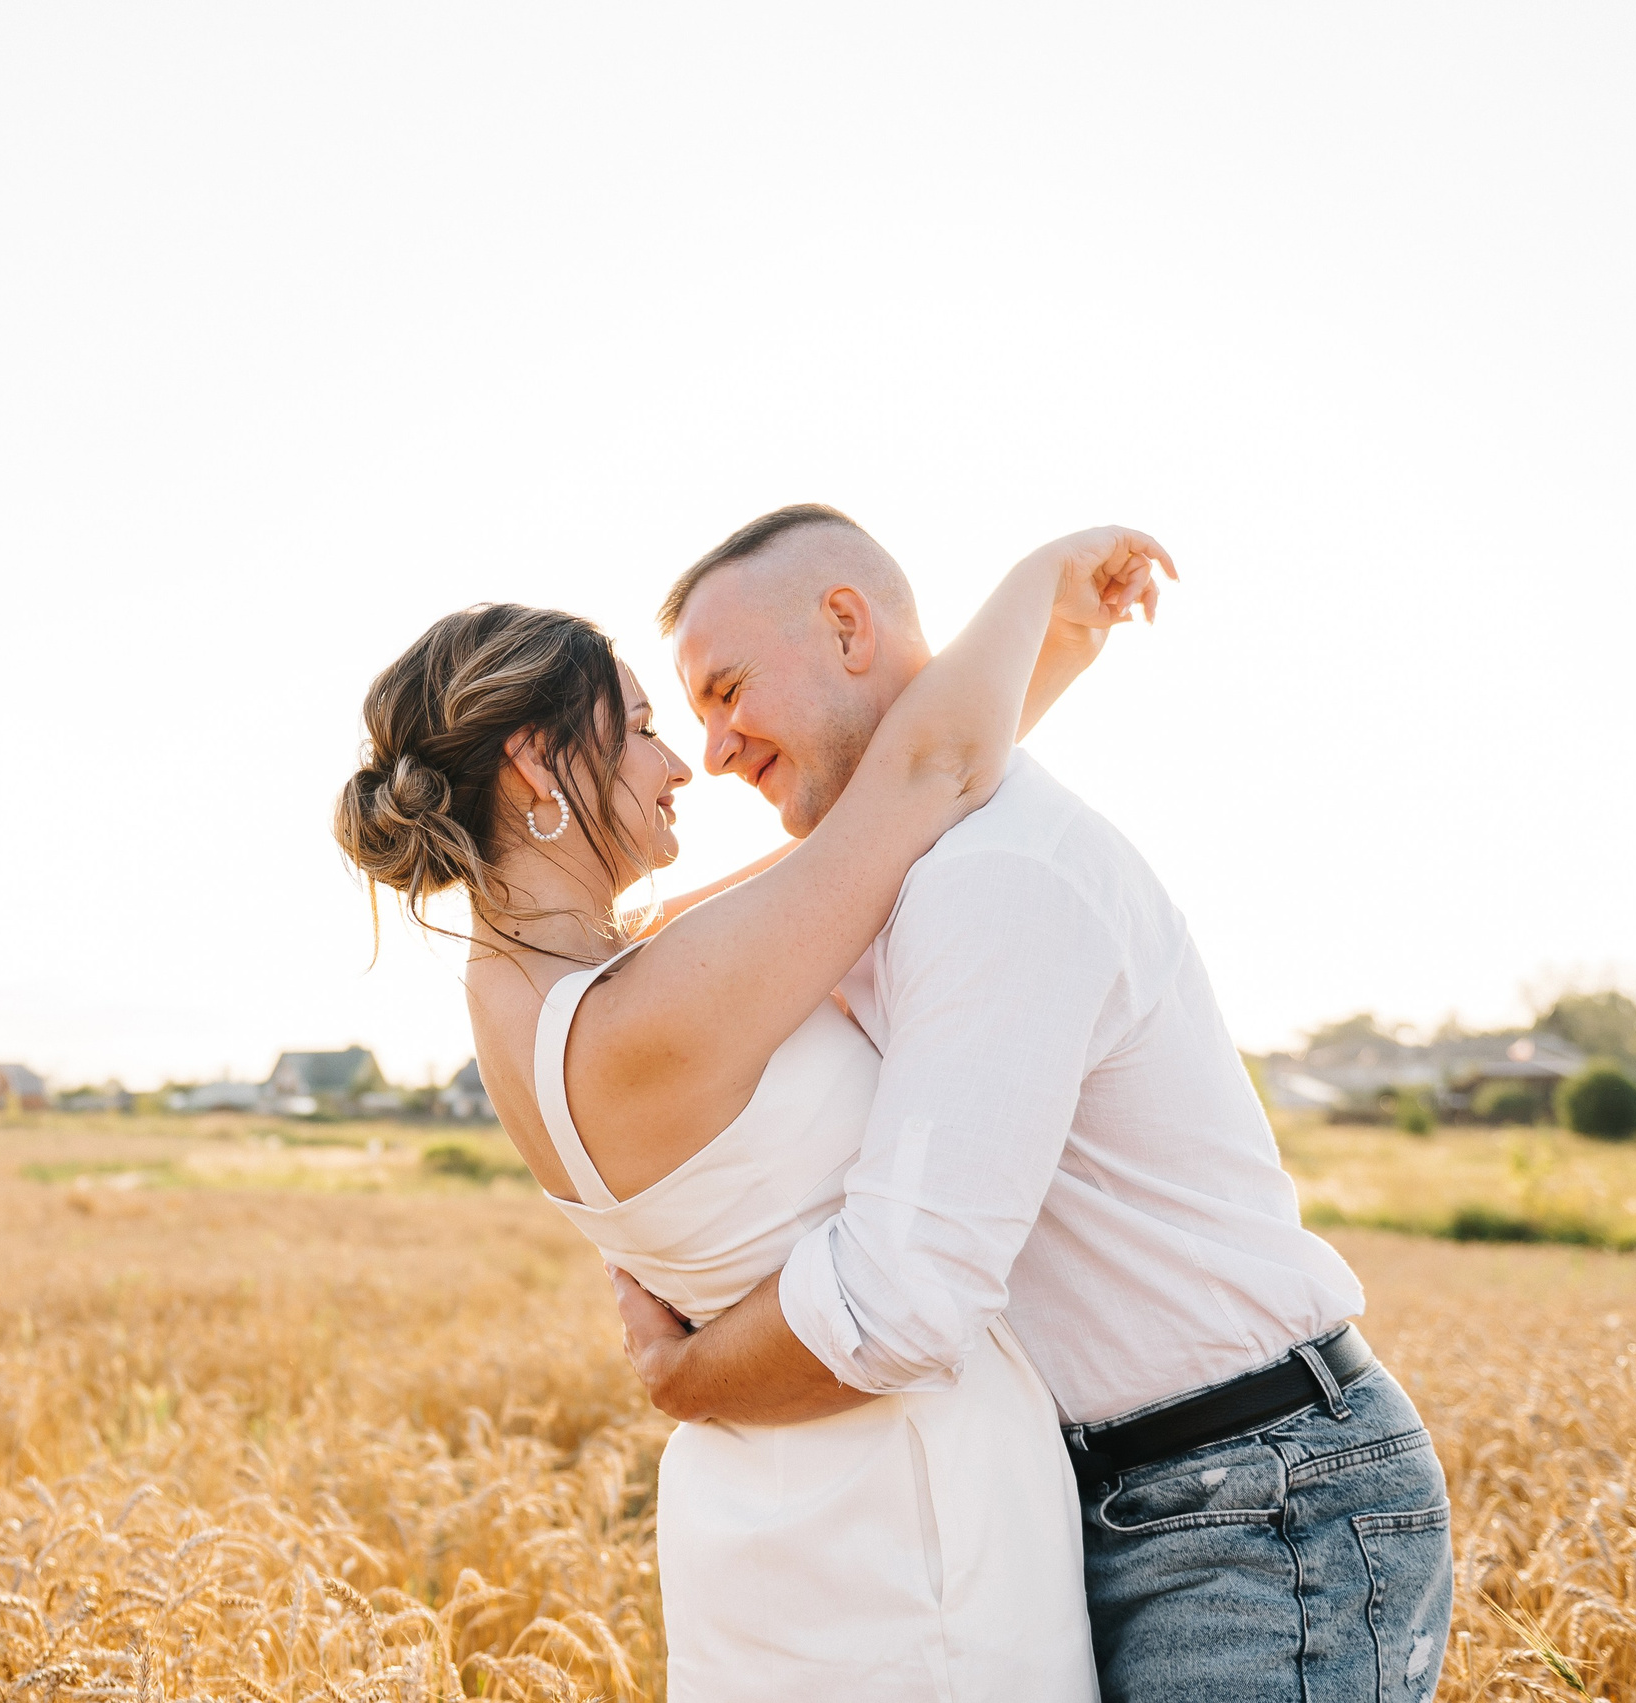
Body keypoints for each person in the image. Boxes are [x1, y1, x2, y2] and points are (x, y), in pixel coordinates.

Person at [610, 505, 1455, 1702]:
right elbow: (731, 904)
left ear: (846, 626)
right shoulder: (899, 865)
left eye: (728, 688)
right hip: (1125, 1498)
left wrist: (685, 1374)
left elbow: (903, 1299)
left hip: (1256, 1509)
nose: (712, 747)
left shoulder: (992, 877)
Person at [332, 523, 1169, 1699]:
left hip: (778, 1529)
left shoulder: (548, 1000)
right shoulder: (653, 1007)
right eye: (642, 727)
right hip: (913, 1541)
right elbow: (921, 778)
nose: (680, 766)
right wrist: (1041, 577)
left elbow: (887, 805)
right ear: (534, 762)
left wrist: (1058, 649)